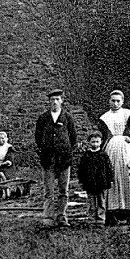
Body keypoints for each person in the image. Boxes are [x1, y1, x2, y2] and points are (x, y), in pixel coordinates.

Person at [97, 90, 130, 225]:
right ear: (109, 101)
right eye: (113, 100)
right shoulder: (104, 117)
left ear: (122, 101)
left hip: (127, 149)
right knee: (113, 178)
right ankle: (112, 213)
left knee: (128, 177)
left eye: (118, 101)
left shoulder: (128, 114)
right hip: (110, 149)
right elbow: (101, 137)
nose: (115, 103)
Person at [35, 88, 77, 227]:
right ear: (48, 102)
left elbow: (73, 138)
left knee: (63, 190)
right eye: (52, 99)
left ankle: (61, 216)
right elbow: (38, 137)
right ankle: (48, 218)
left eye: (57, 99)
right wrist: (44, 150)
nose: (54, 102)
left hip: (63, 159)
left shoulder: (67, 117)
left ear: (62, 101)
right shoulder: (43, 118)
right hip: (48, 159)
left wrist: (65, 150)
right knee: (48, 190)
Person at [76, 130, 113, 228]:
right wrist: (82, 180)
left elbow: (109, 168)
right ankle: (91, 220)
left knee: (101, 201)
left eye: (97, 142)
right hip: (90, 183)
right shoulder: (86, 156)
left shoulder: (103, 155)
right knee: (91, 202)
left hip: (101, 182)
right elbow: (81, 170)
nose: (95, 144)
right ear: (89, 142)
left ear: (101, 142)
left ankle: (101, 220)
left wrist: (110, 179)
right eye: (93, 142)